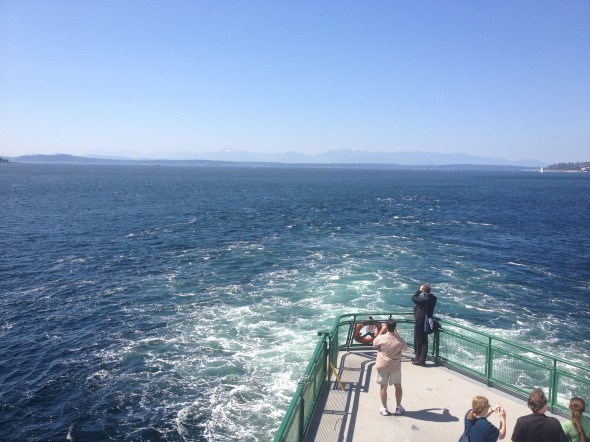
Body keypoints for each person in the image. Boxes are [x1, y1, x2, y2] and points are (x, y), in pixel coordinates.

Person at [373, 318, 407, 416]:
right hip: (395, 366)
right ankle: (398, 407)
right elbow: (405, 348)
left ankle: (384, 409)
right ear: (395, 327)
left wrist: (382, 331)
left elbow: (374, 344)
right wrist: (397, 335)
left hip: (382, 366)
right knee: (398, 386)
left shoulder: (381, 338)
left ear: (386, 327)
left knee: (383, 387)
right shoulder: (399, 340)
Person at [411, 283, 437, 366]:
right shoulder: (433, 298)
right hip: (427, 321)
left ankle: (420, 359)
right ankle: (419, 358)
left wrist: (419, 290)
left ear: (424, 291)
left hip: (420, 321)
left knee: (419, 340)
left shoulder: (424, 300)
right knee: (424, 340)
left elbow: (413, 297)